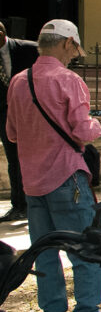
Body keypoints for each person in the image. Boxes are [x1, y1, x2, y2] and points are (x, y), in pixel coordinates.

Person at [6, 19, 101, 312]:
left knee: (44, 254)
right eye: (75, 49)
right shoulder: (68, 80)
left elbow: (12, 134)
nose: (75, 55)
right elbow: (83, 132)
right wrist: (96, 124)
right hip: (66, 180)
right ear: (67, 44)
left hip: (32, 184)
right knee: (86, 251)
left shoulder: (18, 81)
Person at [0, 21, 38, 222]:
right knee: (14, 160)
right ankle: (18, 205)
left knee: (38, 158)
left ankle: (38, 203)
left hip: (31, 114)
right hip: (5, 117)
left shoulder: (29, 49)